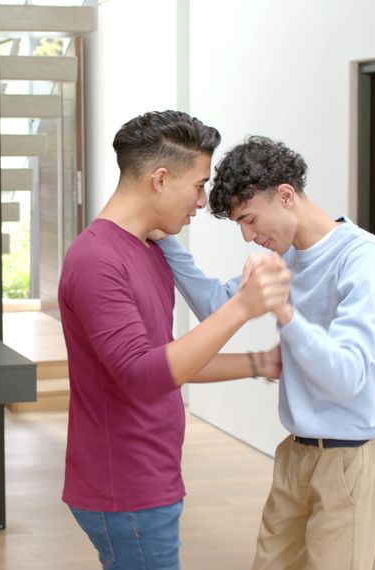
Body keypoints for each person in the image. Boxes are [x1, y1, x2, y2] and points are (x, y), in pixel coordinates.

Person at [155, 135, 375, 569]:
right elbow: (217, 306)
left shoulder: (364, 261)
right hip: (296, 452)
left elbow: (347, 376)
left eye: (250, 219)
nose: (249, 236)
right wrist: (164, 239)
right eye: (240, 226)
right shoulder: (288, 258)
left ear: (286, 195)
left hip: (349, 457)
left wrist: (284, 312)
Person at [59, 112, 292, 570]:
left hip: (149, 476)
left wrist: (261, 362)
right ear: (160, 179)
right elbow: (142, 377)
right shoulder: (96, 260)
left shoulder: (150, 249)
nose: (202, 201)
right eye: (199, 185)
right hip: (126, 486)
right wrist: (241, 308)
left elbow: (167, 362)